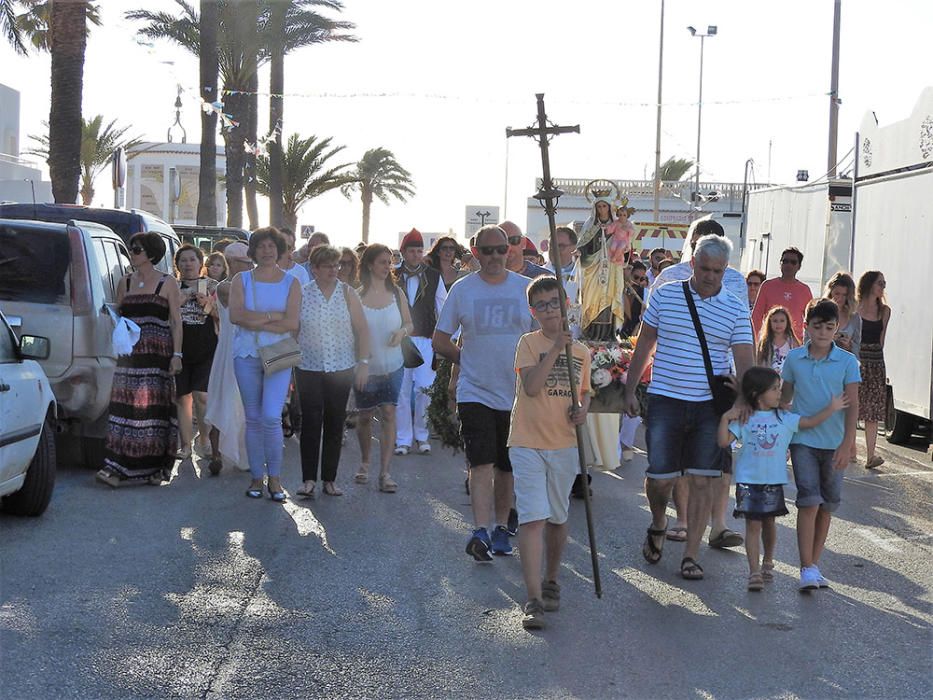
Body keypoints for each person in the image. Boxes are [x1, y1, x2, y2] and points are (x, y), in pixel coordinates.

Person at [623, 235, 755, 581]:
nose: (711, 276)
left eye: (718, 270)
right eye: (705, 268)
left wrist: (743, 401)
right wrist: (630, 388)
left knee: (702, 481)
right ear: (693, 263)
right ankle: (657, 520)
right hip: (666, 398)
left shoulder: (736, 308)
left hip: (709, 407)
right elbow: (645, 342)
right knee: (660, 477)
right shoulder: (665, 294)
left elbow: (745, 361)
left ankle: (691, 555)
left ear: (725, 270)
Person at [645, 218, 751, 545]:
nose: (711, 275)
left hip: (719, 386)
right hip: (673, 382)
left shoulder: (735, 281)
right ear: (692, 249)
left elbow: (742, 334)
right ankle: (680, 518)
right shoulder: (667, 279)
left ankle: (717, 524)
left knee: (716, 460)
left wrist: (745, 394)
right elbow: (649, 333)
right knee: (677, 463)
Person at [433, 224, 534, 561]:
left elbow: (544, 336)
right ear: (475, 252)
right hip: (475, 390)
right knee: (481, 462)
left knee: (506, 467)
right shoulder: (463, 290)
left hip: (517, 392)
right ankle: (479, 529)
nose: (494, 257)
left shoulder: (526, 289)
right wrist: (466, 359)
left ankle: (502, 527)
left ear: (511, 250)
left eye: (500, 250)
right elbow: (440, 339)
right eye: (487, 250)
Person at [509, 276, 591, 629]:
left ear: (566, 305)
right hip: (527, 440)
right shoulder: (528, 343)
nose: (548, 310)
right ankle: (532, 598)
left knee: (557, 518)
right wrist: (556, 347)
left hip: (563, 443)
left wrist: (582, 410)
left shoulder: (583, 352)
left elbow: (584, 394)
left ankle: (552, 578)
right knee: (532, 518)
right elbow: (530, 387)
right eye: (540, 305)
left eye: (554, 303)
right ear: (533, 311)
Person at [718, 367, 847, 591]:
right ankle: (754, 571)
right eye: (775, 389)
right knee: (753, 524)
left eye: (779, 388)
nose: (780, 393)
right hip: (748, 482)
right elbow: (723, 442)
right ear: (758, 394)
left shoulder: (784, 418)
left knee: (769, 522)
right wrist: (725, 418)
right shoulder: (745, 418)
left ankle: (768, 560)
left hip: (773, 482)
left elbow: (810, 422)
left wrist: (831, 408)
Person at [781, 298, 861, 589]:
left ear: (837, 328)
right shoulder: (793, 359)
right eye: (817, 327)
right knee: (808, 500)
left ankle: (814, 564)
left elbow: (853, 405)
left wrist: (848, 443)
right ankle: (806, 567)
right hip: (803, 439)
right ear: (806, 326)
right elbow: (783, 399)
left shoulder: (848, 361)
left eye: (829, 327)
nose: (823, 333)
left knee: (827, 504)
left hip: (835, 442)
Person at [96, 232, 182, 487]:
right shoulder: (125, 282)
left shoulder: (167, 283)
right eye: (132, 249)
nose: (132, 253)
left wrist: (177, 355)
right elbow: (119, 313)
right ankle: (117, 466)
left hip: (157, 355)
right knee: (124, 410)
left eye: (137, 249)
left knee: (153, 413)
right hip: (130, 356)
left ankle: (153, 469)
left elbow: (176, 321)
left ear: (151, 254)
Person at [229, 228, 301, 502]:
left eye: (272, 246)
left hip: (278, 355)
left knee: (271, 416)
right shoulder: (241, 279)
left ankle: (276, 479)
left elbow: (292, 323)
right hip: (246, 354)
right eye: (262, 246)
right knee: (254, 418)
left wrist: (256, 318)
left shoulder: (291, 283)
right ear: (254, 250)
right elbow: (237, 316)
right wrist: (273, 316)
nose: (267, 251)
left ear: (280, 249)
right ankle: (256, 477)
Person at [295, 245, 371, 497]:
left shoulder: (348, 294)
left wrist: (363, 363)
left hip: (341, 367)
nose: (334, 270)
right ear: (314, 269)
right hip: (308, 367)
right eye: (327, 265)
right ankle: (308, 479)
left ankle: (330, 479)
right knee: (311, 422)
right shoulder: (302, 294)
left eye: (336, 265)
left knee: (335, 422)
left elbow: (362, 330)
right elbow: (292, 331)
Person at [353, 244, 413, 493]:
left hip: (393, 364)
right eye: (381, 262)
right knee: (365, 416)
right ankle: (365, 462)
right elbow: (352, 333)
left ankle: (385, 472)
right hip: (366, 367)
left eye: (389, 261)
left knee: (389, 412)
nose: (387, 266)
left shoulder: (397, 293)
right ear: (369, 265)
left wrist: (402, 332)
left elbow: (410, 323)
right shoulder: (356, 296)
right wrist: (361, 362)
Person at [394, 229, 446, 456]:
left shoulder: (434, 276)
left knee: (425, 389)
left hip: (425, 340)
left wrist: (445, 339)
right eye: (411, 251)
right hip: (399, 341)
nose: (415, 255)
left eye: (418, 251)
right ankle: (403, 439)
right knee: (402, 392)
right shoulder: (392, 276)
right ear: (403, 252)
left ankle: (422, 436)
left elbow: (442, 307)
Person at [204, 242, 251, 475]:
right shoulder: (225, 286)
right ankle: (216, 454)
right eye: (245, 262)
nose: (251, 265)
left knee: (246, 402)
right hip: (230, 349)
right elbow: (245, 310)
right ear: (232, 263)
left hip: (249, 348)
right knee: (223, 398)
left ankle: (244, 453)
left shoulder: (251, 283)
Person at [173, 244, 219, 463]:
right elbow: (165, 312)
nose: (188, 264)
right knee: (182, 397)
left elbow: (224, 316)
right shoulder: (171, 286)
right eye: (183, 260)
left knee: (202, 396)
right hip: (179, 347)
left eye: (192, 260)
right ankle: (185, 445)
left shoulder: (212, 285)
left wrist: (207, 304)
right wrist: (179, 300)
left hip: (206, 346)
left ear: (201, 264)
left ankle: (205, 440)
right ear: (177, 264)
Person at [575, 197, 629, 341]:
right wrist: (581, 252)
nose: (602, 209)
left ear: (609, 208)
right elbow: (583, 243)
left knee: (609, 296)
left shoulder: (617, 225)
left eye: (604, 206)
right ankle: (591, 331)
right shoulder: (590, 225)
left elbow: (625, 242)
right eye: (599, 206)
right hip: (593, 267)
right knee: (592, 297)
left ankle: (607, 334)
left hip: (611, 267)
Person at [856, 270, 890, 469]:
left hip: (876, 363)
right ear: (869, 284)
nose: (883, 287)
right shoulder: (855, 309)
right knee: (852, 407)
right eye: (880, 283)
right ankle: (849, 448)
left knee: (873, 411)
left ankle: (870, 455)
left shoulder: (885, 311)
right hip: (857, 361)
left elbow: (881, 340)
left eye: (884, 284)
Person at [751, 246, 813, 340]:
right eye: (785, 261)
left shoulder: (804, 290)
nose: (789, 265)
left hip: (795, 344)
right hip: (770, 342)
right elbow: (756, 317)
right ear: (780, 264)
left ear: (799, 266)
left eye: (793, 262)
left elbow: (811, 320)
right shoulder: (767, 286)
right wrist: (753, 343)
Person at [546, 225, 582, 338]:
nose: (554, 250)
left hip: (576, 340)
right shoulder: (539, 275)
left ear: (574, 248)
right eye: (551, 245)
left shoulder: (583, 277)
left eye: (560, 246)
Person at [824, 272, 861, 358]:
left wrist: (849, 346)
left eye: (844, 295)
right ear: (830, 292)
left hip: (844, 363)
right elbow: (808, 341)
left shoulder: (854, 317)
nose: (840, 298)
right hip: (823, 361)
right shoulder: (820, 313)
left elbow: (857, 347)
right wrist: (828, 340)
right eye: (837, 294)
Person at [756, 306, 799, 372]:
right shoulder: (765, 342)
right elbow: (758, 362)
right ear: (769, 323)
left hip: (787, 379)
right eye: (775, 321)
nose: (778, 324)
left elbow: (797, 361)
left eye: (782, 321)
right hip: (768, 378)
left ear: (787, 322)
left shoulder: (792, 342)